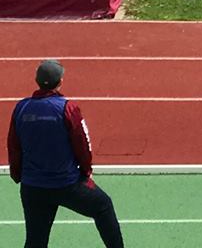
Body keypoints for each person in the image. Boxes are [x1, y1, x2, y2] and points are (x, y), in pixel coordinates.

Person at [8, 59, 126, 248]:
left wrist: (18, 175)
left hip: (33, 187)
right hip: (67, 185)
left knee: (35, 240)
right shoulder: (68, 108)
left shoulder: (21, 108)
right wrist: (86, 172)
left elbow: (13, 146)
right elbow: (82, 144)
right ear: (60, 81)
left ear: (36, 80)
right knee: (103, 207)